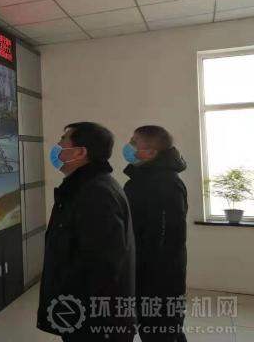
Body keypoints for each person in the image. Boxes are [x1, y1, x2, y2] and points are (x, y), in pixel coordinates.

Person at [37, 122, 136, 341]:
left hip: (95, 322)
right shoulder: (84, 187)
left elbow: (101, 264)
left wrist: (70, 308)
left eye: (63, 140)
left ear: (80, 152)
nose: (57, 145)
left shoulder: (96, 193)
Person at [122, 126, 188, 342]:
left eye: (134, 143)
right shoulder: (143, 180)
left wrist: (142, 273)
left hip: (159, 279)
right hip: (147, 275)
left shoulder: (165, 183)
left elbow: (163, 239)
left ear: (151, 153)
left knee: (161, 332)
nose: (128, 146)